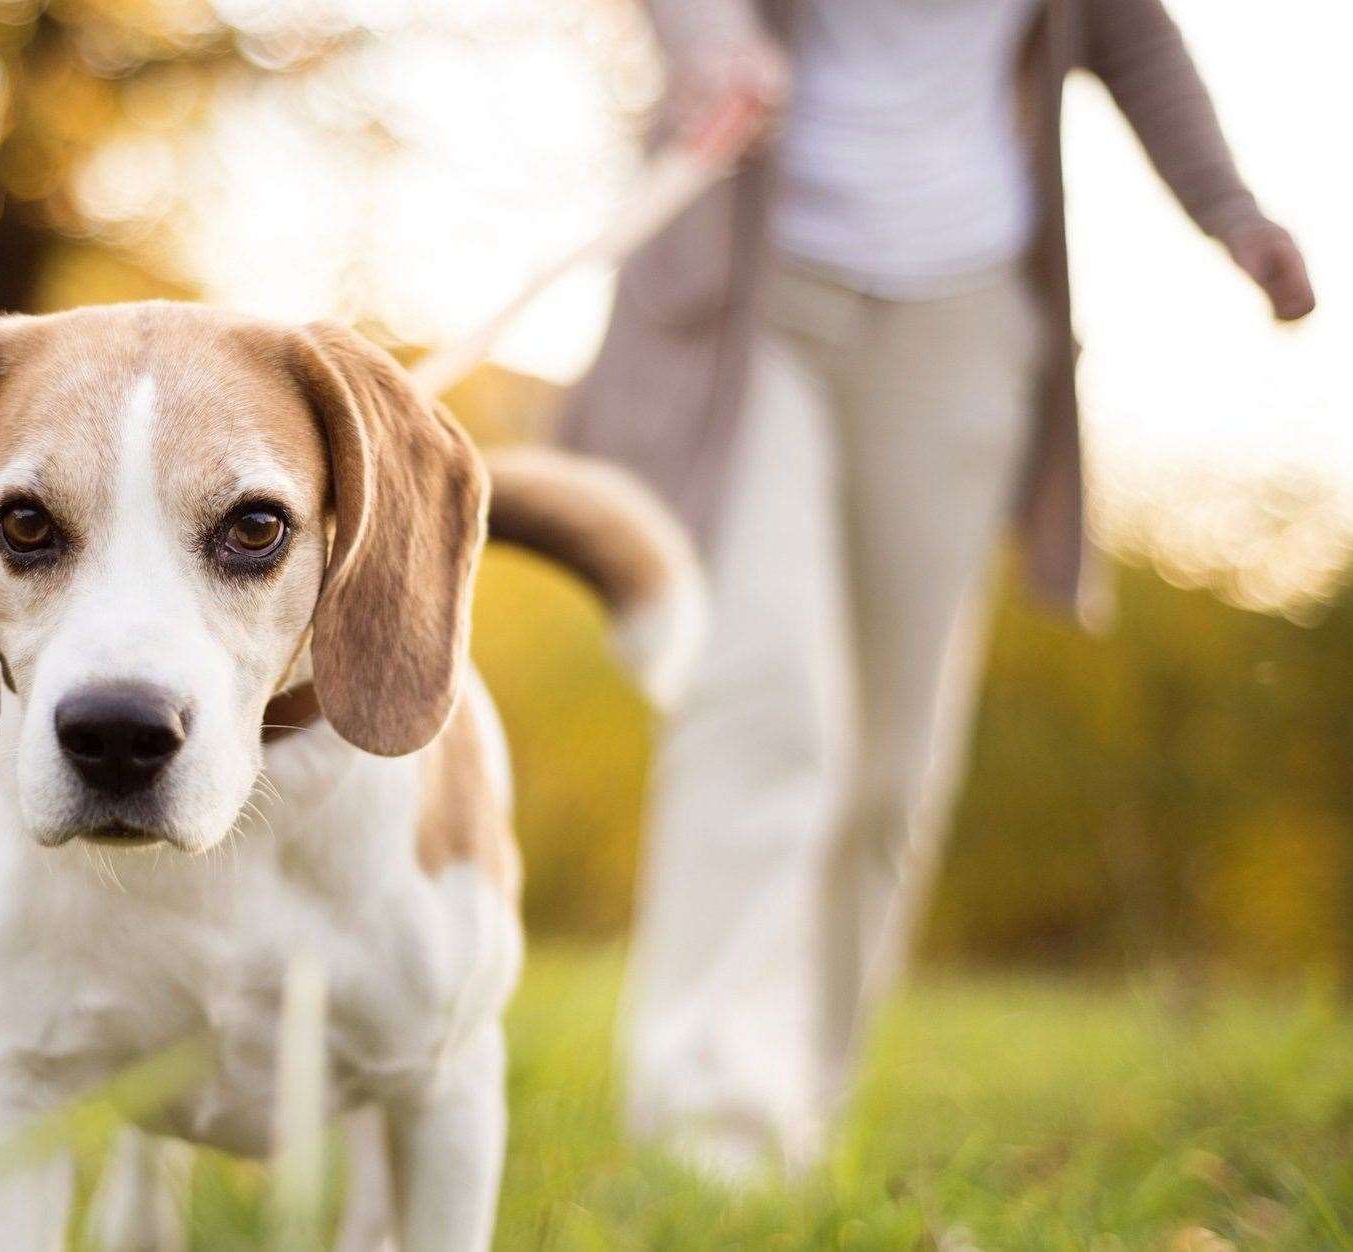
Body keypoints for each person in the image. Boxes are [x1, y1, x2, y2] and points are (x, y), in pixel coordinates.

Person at [560, 0, 1316, 1176]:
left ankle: (794, 1111)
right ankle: (707, 1127)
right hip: (753, 289)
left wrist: (1229, 210)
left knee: (888, 763)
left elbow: (1132, 33)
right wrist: (709, 34)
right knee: (766, 700)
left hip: (961, 319)